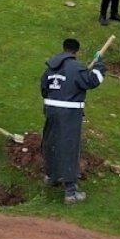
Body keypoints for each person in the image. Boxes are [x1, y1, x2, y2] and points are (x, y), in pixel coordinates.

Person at [41, 38, 106, 203]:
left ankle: (51, 176)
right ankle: (70, 192)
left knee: (52, 143)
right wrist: (99, 64)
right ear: (76, 52)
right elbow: (93, 81)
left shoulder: (50, 68)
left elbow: (43, 89)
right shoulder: (76, 68)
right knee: (70, 147)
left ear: (63, 49)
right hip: (68, 113)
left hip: (51, 110)